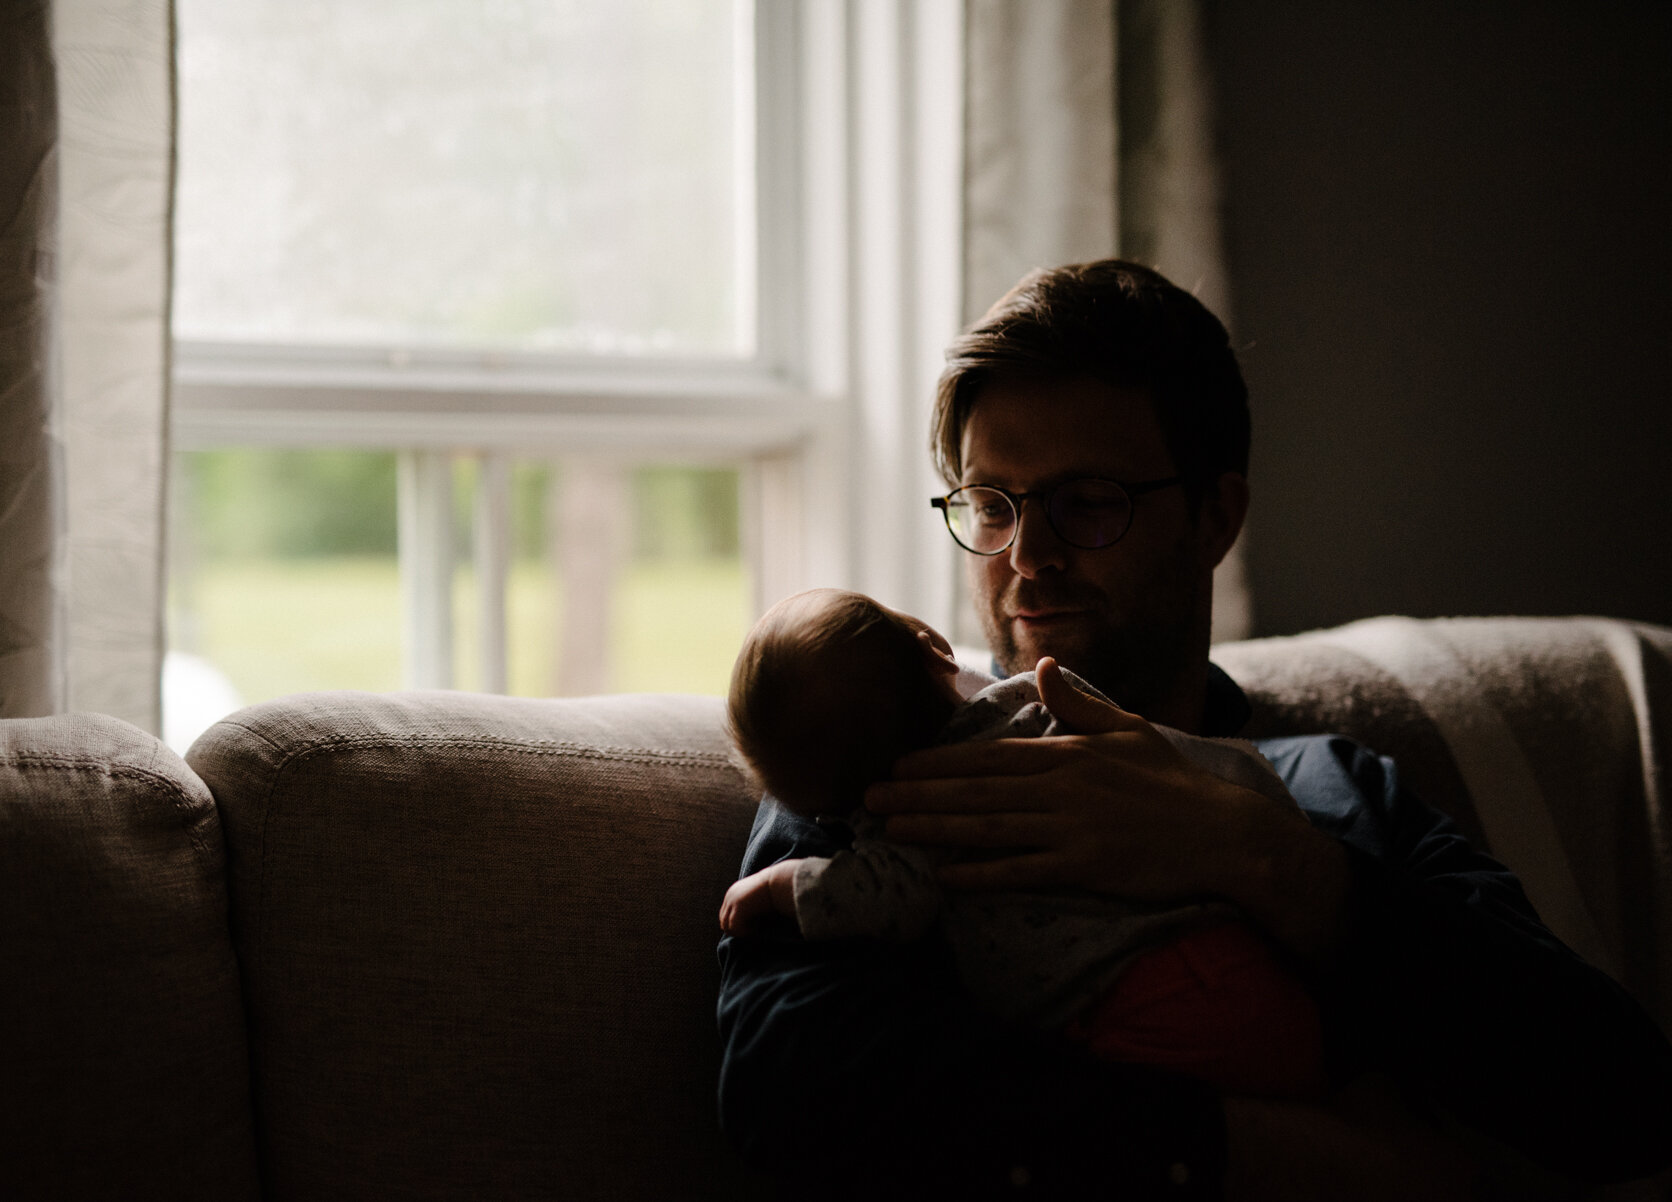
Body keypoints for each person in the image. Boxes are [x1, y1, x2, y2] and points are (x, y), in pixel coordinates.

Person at [715, 260, 1672, 1200]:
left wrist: (1260, 858)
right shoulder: (880, 751)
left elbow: (1621, 1103)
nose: (1029, 556)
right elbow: (788, 1088)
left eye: (1087, 504)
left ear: (1215, 517)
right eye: (992, 505)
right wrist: (1298, 1160)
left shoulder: (1327, 794)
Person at [719, 586, 1327, 1100]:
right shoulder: (1033, 705)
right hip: (1231, 961)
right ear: (934, 649)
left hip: (1145, 1000)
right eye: (990, 506)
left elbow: (885, 899)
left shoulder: (906, 822)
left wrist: (784, 885)